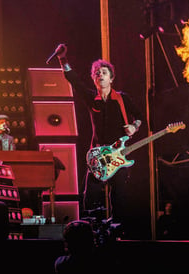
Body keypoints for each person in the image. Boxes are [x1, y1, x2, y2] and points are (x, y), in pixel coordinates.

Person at [54, 44, 143, 224]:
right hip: (98, 155)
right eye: (97, 73)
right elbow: (74, 80)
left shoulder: (122, 99)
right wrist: (62, 59)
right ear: (94, 79)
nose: (100, 75)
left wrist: (134, 126)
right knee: (90, 196)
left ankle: (117, 230)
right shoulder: (91, 98)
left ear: (111, 78)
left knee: (119, 195)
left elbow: (140, 116)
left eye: (103, 72)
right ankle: (90, 230)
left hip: (118, 154)